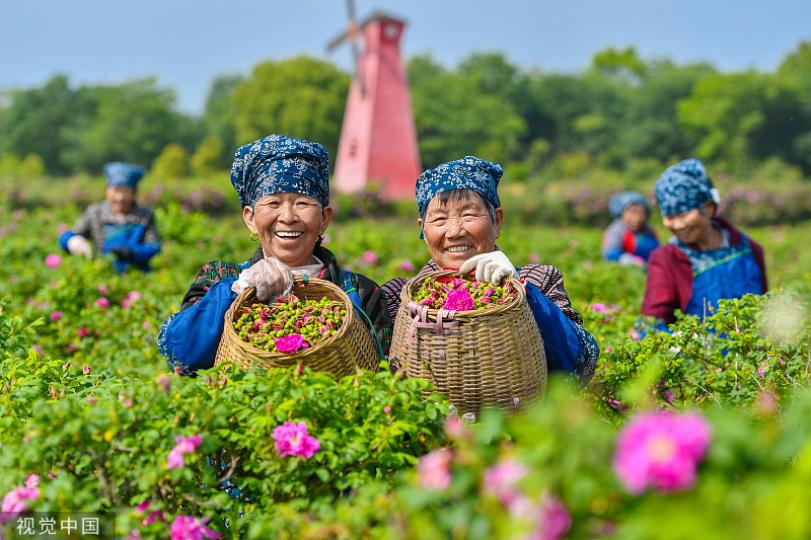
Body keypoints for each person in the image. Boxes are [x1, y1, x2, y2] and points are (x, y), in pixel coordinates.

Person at [158, 134, 390, 374]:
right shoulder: (220, 277)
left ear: (324, 218)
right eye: (272, 203)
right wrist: (239, 288)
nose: (288, 217)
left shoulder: (360, 291)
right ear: (250, 218)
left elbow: (385, 373)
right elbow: (179, 353)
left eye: (302, 203)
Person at [381, 156, 600, 384]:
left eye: (468, 215)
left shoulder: (539, 280)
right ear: (423, 231)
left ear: (496, 220)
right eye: (439, 219)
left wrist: (525, 294)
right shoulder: (399, 296)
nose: (454, 231)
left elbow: (581, 364)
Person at [641, 158, 768, 326]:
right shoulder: (667, 258)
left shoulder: (747, 249)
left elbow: (765, 309)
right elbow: (652, 322)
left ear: (708, 208)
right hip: (699, 351)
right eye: (669, 217)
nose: (678, 224)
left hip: (751, 350)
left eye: (684, 214)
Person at [58, 162, 161, 273]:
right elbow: (69, 236)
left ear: (134, 192)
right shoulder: (95, 213)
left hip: (137, 274)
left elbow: (154, 246)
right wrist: (72, 240)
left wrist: (132, 252)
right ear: (107, 190)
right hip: (103, 272)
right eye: (116, 190)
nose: (120, 198)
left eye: (125, 191)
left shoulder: (145, 215)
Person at [602, 191, 659, 266]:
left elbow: (657, 250)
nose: (637, 219)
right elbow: (610, 253)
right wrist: (627, 260)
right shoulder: (616, 231)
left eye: (641, 213)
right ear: (621, 213)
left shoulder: (648, 230)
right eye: (632, 212)